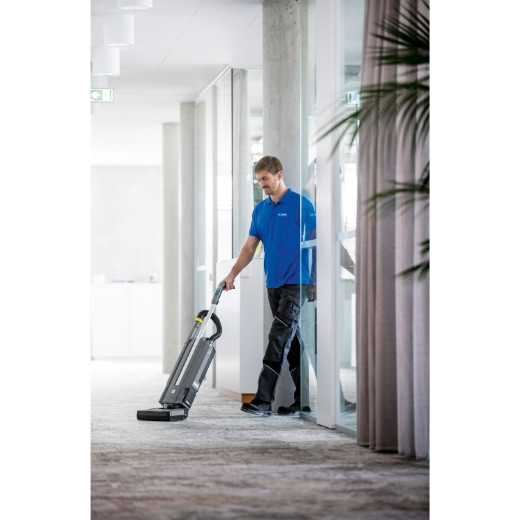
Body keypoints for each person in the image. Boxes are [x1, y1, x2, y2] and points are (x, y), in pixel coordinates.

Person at [220, 155, 316, 416]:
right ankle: (302, 400)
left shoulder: (301, 205)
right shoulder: (260, 210)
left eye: (265, 178)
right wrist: (232, 274)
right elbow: (250, 247)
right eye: (259, 179)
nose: (261, 183)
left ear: (279, 175)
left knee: (278, 337)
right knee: (291, 341)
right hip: (273, 283)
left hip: (296, 282)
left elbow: (316, 243)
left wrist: (315, 280)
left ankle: (263, 400)